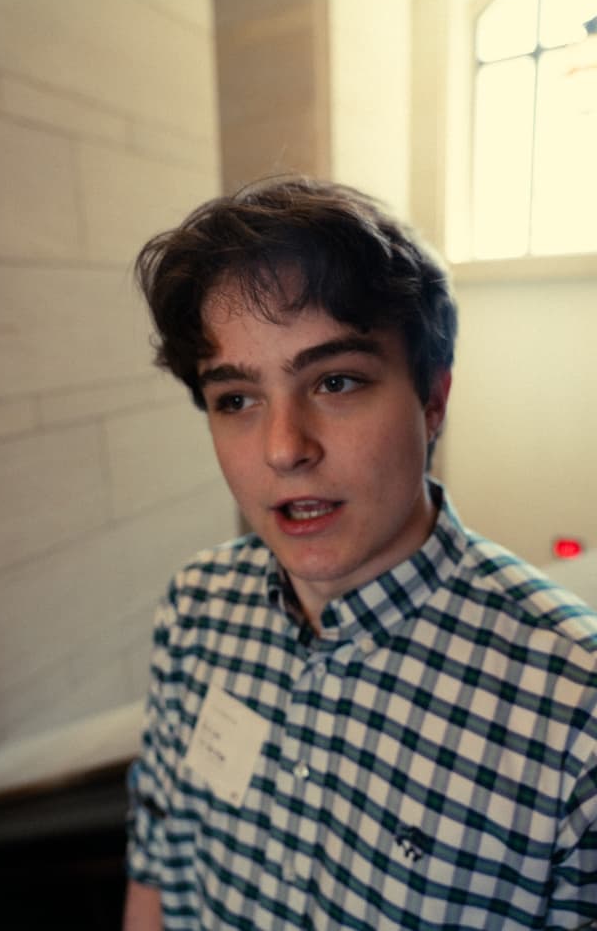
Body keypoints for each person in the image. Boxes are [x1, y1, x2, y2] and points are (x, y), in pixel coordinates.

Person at [123, 178, 597, 930]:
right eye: (237, 399)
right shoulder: (197, 607)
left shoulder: (575, 716)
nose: (284, 449)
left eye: (335, 381)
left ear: (433, 398)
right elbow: (158, 864)